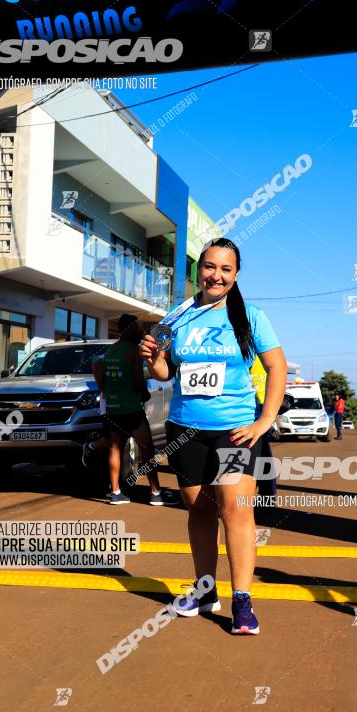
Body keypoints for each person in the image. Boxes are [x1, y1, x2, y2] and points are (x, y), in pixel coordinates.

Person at [140, 238, 287, 635]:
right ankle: (206, 591)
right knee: (199, 510)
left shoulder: (250, 317)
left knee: (236, 508)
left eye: (225, 269)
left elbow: (277, 368)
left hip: (234, 431)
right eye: (209, 266)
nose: (216, 275)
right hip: (185, 429)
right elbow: (164, 374)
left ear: (236, 275)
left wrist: (264, 420)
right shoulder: (179, 316)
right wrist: (152, 355)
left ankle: (242, 601)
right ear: (198, 270)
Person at [91, 314, 166, 506]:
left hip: (114, 410)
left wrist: (108, 389)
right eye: (136, 327)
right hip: (132, 409)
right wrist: (145, 394)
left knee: (115, 449)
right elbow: (139, 380)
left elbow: (99, 372)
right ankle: (155, 493)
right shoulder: (133, 349)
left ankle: (116, 492)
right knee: (147, 450)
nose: (140, 331)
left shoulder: (109, 351)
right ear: (128, 329)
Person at [250, 355, 277, 497]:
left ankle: (268, 493)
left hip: (256, 405)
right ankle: (268, 492)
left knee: (262, 452)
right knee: (263, 452)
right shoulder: (260, 355)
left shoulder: (249, 353)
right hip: (259, 404)